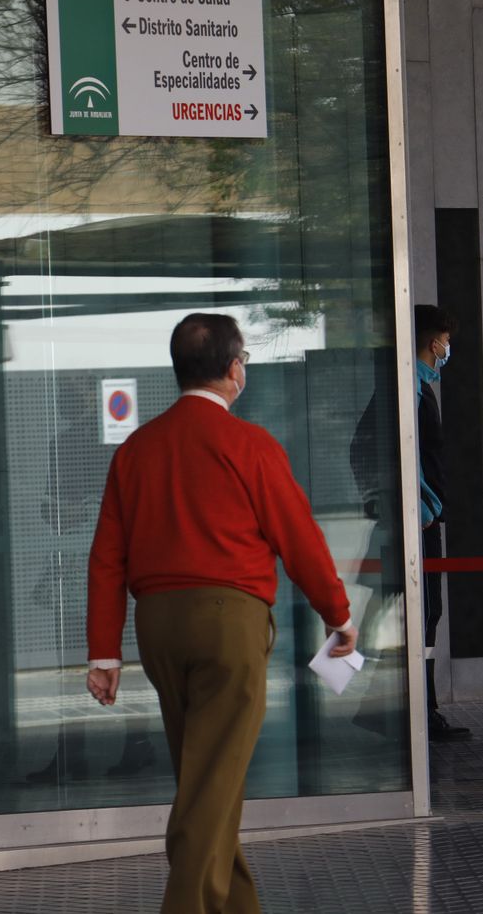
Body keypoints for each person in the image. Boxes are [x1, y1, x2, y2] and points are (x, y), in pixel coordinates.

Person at [85, 314, 357, 914]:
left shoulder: (136, 449)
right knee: (211, 783)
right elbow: (300, 539)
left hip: (157, 625)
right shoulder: (250, 445)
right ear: (235, 371)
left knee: (208, 776)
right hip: (229, 623)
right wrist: (339, 615)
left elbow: (106, 557)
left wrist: (105, 655)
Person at [414, 305, 469, 741]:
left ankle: (422, 708)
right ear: (435, 343)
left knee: (423, 613)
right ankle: (421, 711)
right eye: (446, 342)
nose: (448, 349)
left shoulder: (420, 386)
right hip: (422, 524)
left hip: (425, 519)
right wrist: (424, 507)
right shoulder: (412, 388)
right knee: (425, 612)